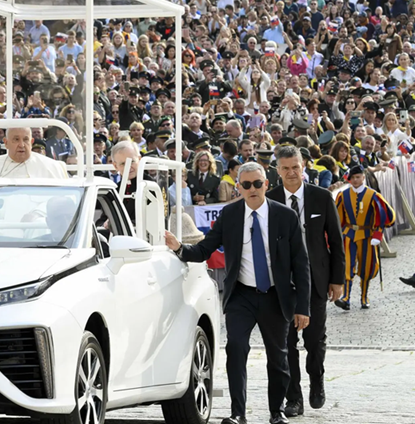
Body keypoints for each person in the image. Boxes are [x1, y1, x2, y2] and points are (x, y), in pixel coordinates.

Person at [165, 162, 311, 424]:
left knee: (278, 356)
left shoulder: (285, 216)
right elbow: (204, 250)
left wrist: (303, 307)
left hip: (276, 297)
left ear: (266, 184)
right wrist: (179, 249)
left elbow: (301, 264)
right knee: (235, 349)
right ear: (238, 188)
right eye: (246, 185)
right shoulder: (230, 215)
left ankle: (276, 412)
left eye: (257, 183)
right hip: (241, 295)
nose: (252, 189)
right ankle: (238, 413)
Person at [267, 146, 346, 417]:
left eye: (295, 167)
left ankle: (317, 379)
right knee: (286, 342)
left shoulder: (321, 197)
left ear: (304, 167)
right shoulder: (269, 199)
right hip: (281, 284)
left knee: (314, 339)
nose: (291, 173)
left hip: (315, 280)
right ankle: (294, 397)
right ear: (277, 171)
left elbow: (335, 241)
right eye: (285, 168)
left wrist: (337, 279)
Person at [334, 166, 395, 310]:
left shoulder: (373, 195)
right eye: (353, 178)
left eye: (358, 177)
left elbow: (385, 215)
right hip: (349, 234)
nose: (355, 180)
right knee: (347, 265)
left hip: (367, 235)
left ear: (363, 177)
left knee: (366, 267)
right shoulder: (343, 195)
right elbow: (337, 217)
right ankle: (346, 298)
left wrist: (378, 233)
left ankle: (364, 296)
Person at [0, 127, 67, 179]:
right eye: (16, 139)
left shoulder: (52, 168)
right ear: (6, 143)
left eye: (26, 140)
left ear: (31, 142)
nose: (21, 145)